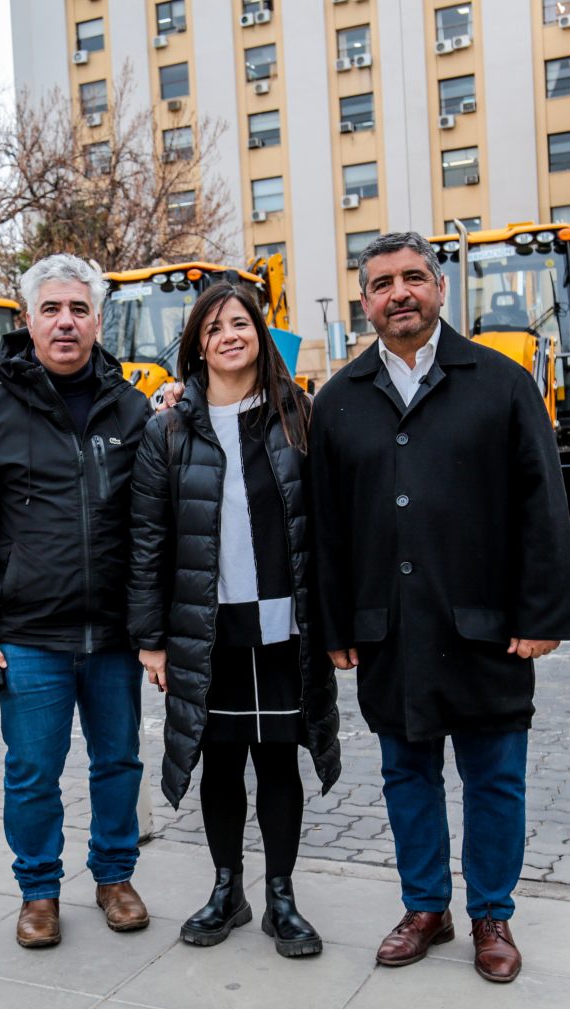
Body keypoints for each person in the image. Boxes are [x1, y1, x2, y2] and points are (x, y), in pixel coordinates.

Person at [309, 231, 570, 984]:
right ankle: (426, 907)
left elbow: (543, 505)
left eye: (413, 278)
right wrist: (334, 622)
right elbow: (327, 526)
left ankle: (492, 914)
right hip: (388, 629)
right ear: (365, 301)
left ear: (439, 288)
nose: (399, 293)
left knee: (495, 779)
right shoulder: (338, 400)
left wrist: (543, 614)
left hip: (487, 627)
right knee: (407, 776)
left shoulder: (502, 382)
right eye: (382, 283)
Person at [0, 253, 154, 949]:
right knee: (32, 772)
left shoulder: (132, 409)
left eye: (79, 309)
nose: (66, 322)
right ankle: (38, 890)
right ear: (28, 320)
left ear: (98, 321)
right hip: (29, 636)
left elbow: (153, 525)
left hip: (116, 635)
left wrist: (154, 626)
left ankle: (115, 877)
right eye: (52, 309)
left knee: (119, 763)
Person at [127, 283, 342, 957]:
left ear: (260, 334)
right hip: (207, 629)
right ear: (198, 343)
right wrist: (151, 641)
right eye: (214, 326)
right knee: (218, 763)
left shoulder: (299, 416)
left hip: (284, 627)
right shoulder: (168, 429)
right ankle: (228, 890)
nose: (229, 335)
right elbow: (148, 541)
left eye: (241, 323)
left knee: (278, 761)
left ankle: (282, 898)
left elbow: (330, 525)